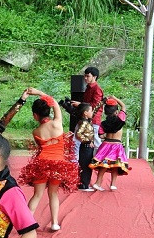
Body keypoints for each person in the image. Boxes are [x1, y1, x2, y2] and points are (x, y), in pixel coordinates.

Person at [18, 91, 79, 230]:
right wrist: (38, 92)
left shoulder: (36, 132)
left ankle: (26, 224)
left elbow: (41, 148)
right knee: (53, 193)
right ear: (49, 110)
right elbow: (55, 102)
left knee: (37, 195)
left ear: (35, 115)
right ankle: (55, 223)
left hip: (42, 164)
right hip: (58, 164)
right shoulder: (57, 123)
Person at [90, 96, 131, 191]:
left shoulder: (103, 123)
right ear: (116, 111)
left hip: (106, 145)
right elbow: (123, 106)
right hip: (117, 146)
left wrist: (106, 135)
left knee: (104, 164)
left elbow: (100, 135)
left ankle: (98, 182)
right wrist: (114, 98)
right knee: (115, 165)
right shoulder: (120, 118)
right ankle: (113, 184)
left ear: (105, 112)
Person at [72, 67, 105, 150]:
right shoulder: (88, 88)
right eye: (85, 76)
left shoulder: (97, 89)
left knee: (96, 140)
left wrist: (80, 104)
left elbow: (95, 105)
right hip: (84, 118)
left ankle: (102, 158)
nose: (85, 78)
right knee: (76, 139)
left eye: (88, 76)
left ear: (94, 77)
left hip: (93, 119)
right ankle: (74, 161)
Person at [74, 103, 96, 191]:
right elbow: (78, 134)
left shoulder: (87, 121)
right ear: (85, 113)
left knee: (87, 164)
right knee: (85, 165)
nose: (92, 112)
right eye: (90, 111)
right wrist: (87, 140)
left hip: (88, 147)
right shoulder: (83, 122)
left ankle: (85, 183)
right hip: (85, 146)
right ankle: (83, 184)